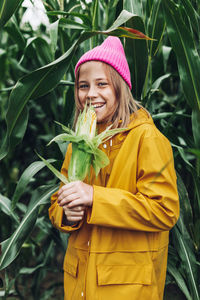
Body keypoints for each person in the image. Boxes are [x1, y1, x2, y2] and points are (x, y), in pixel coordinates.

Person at [49, 36, 179, 300]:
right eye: (83, 86)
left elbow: (165, 211)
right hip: (80, 286)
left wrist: (95, 197)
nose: (90, 94)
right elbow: (58, 202)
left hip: (126, 288)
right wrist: (67, 214)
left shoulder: (147, 139)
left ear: (120, 87)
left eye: (101, 84)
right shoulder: (78, 143)